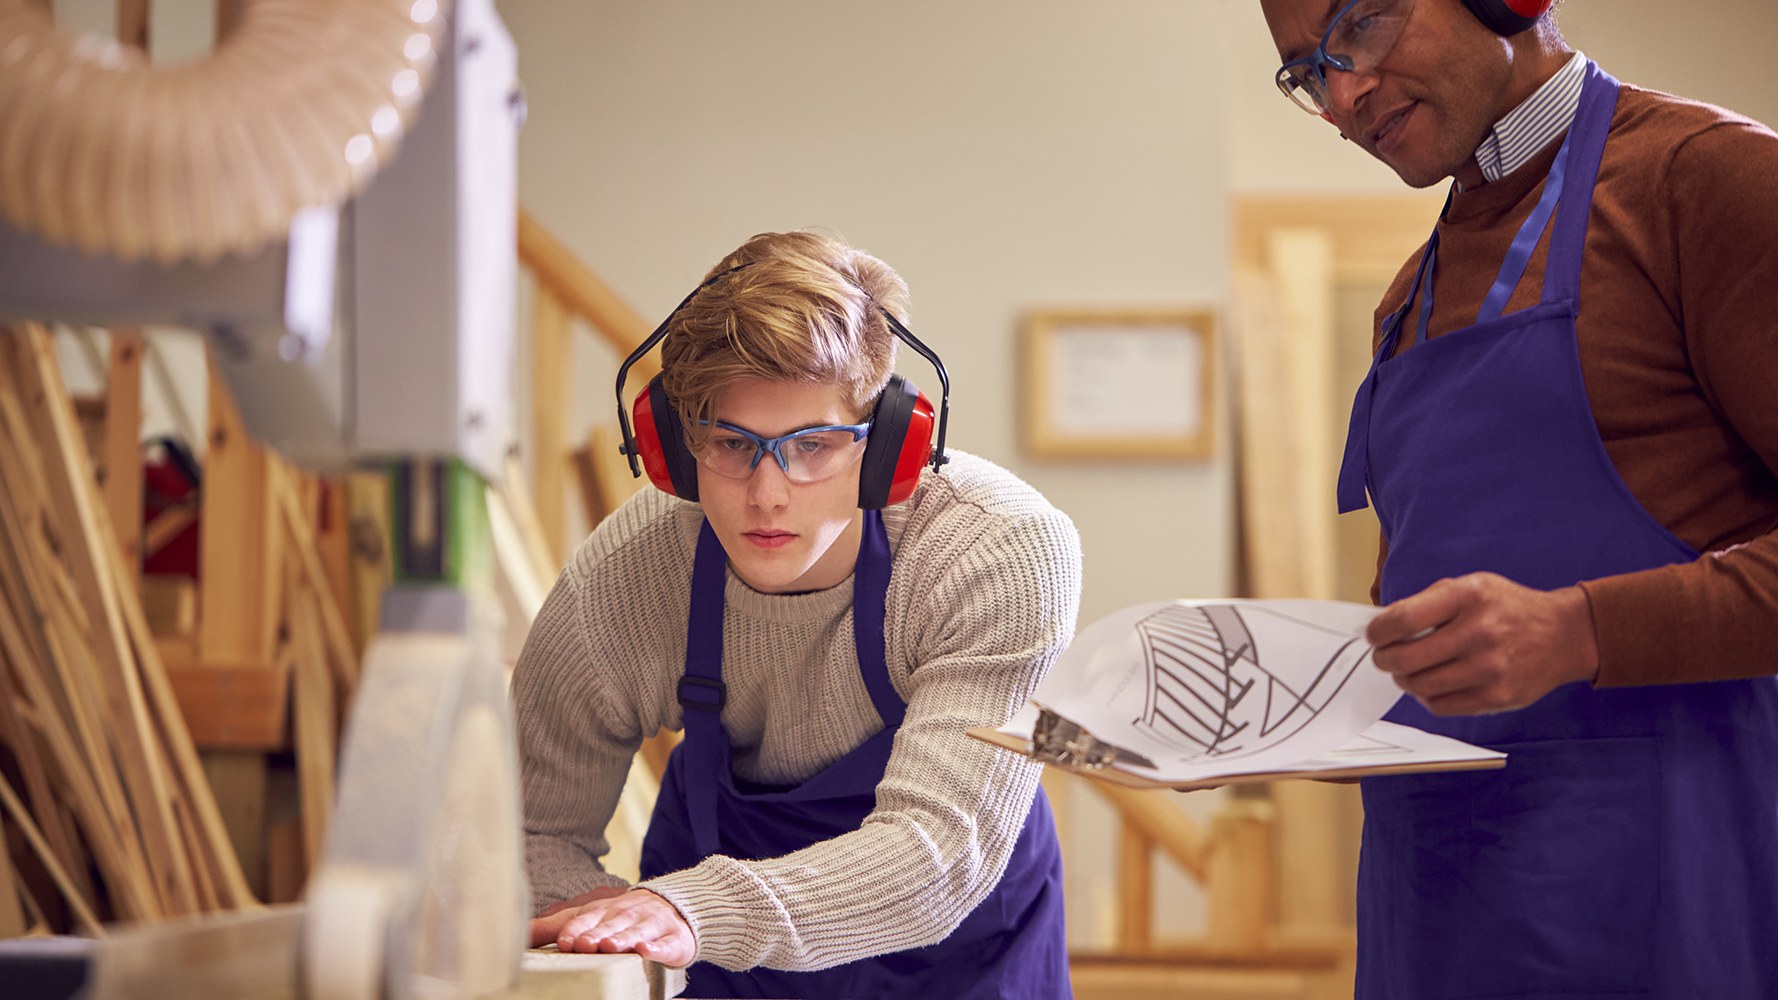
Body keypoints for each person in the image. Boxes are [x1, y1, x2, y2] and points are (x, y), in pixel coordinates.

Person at [1258, 0, 1778, 996]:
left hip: (1663, 904)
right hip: (1437, 910)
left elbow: (1543, 625)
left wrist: (1580, 630)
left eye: (1359, 27)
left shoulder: (1706, 182)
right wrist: (1329, 708)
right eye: (1308, 72)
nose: (1342, 96)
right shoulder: (1407, 296)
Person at [511, 230, 1079, 998]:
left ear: (887, 447)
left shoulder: (997, 550)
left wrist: (691, 906)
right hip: (713, 949)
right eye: (729, 443)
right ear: (675, 449)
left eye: (813, 445)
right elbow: (527, 833)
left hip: (961, 955)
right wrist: (595, 922)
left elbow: (938, 853)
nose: (768, 493)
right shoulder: (628, 579)